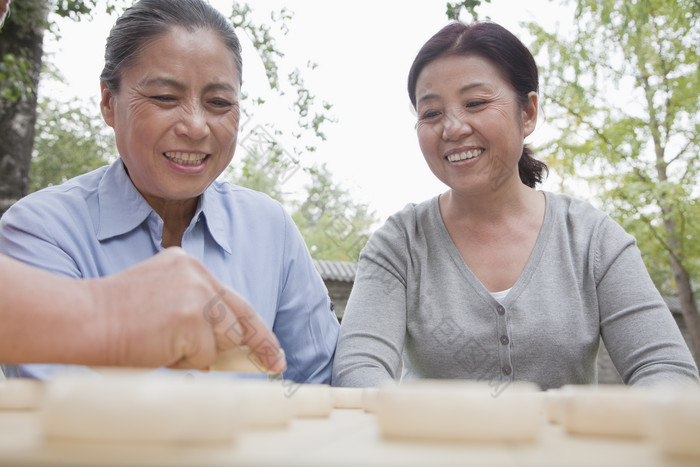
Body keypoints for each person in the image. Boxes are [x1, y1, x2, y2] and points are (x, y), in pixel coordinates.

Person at [332, 21, 699, 390]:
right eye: (431, 113)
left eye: (475, 103)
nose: (452, 128)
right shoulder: (400, 243)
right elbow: (358, 368)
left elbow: (666, 368)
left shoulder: (592, 239)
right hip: (429, 448)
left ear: (528, 113)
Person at [0, 0, 338, 382]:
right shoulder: (43, 230)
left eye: (219, 103)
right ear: (109, 102)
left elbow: (320, 384)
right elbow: (58, 398)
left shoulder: (270, 229)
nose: (195, 126)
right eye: (165, 98)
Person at [0, 248, 285, 373]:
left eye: (220, 117)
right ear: (110, 119)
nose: (196, 129)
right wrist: (105, 313)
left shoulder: (275, 230)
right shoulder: (38, 223)